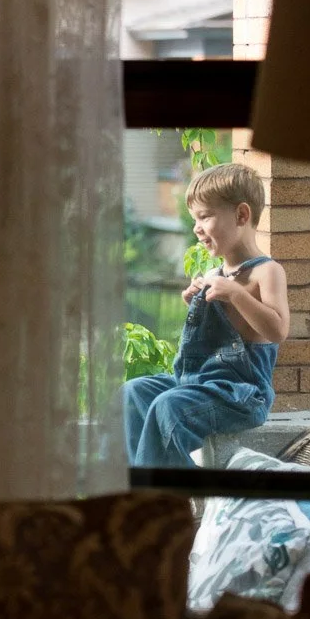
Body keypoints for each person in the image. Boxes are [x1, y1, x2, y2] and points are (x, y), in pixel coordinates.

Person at [124, 162, 290, 468]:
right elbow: (216, 336)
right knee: (133, 392)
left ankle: (166, 498)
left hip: (239, 394)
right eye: (194, 219)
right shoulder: (216, 272)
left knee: (168, 407)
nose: (197, 228)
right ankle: (140, 482)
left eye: (205, 216)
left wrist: (236, 294)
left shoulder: (267, 272)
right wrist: (197, 303)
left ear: (242, 215)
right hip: (196, 382)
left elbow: (277, 330)